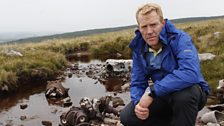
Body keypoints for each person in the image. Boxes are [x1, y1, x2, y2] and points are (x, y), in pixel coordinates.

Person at [120, 3, 209, 126]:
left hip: (191, 91)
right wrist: (138, 105)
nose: (149, 31)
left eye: (153, 25)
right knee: (127, 116)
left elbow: (190, 73)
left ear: (162, 22)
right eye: (144, 26)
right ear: (139, 28)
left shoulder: (180, 39)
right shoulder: (139, 47)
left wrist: (152, 91)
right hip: (163, 94)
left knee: (183, 97)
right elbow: (138, 82)